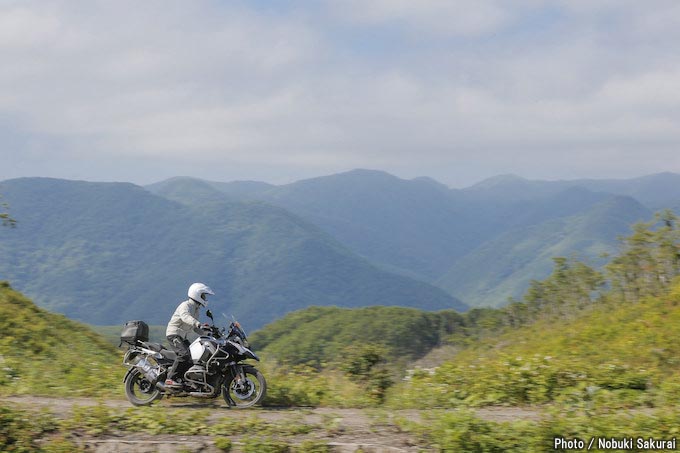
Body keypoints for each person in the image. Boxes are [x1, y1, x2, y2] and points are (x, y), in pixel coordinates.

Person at [165, 282, 214, 388]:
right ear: (197, 295)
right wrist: (198, 323)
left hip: (182, 337)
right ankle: (170, 379)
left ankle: (184, 380)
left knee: (193, 357)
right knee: (184, 355)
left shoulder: (196, 310)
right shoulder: (185, 305)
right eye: (203, 296)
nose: (205, 298)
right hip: (174, 334)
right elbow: (185, 317)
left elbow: (195, 328)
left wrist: (208, 333)